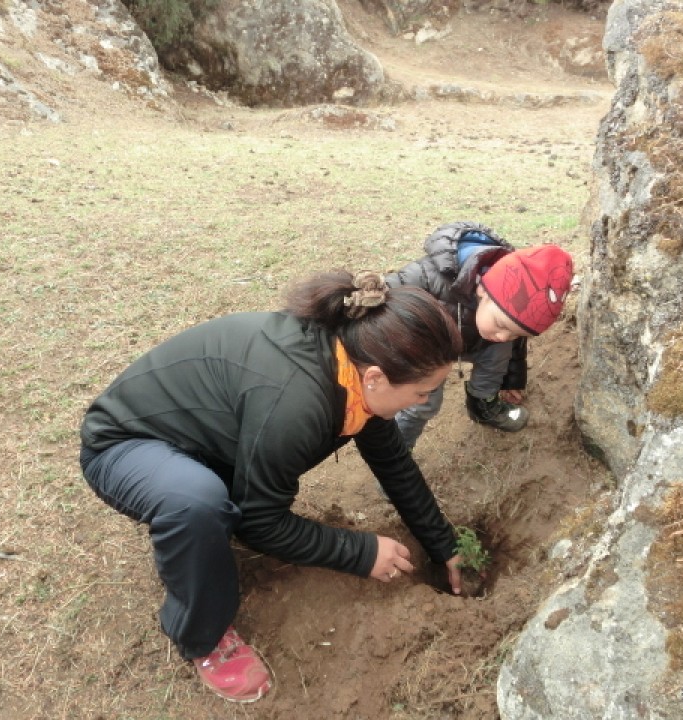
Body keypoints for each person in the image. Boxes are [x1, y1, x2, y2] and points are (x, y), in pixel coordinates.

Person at [78, 270, 466, 704]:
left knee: (213, 499)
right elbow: (260, 523)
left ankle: (191, 509)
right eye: (421, 392)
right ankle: (202, 638)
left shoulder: (348, 365)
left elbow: (392, 461)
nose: (425, 403)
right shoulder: (297, 401)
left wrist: (443, 545)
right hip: (125, 446)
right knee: (197, 504)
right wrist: (359, 553)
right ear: (375, 377)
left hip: (200, 444)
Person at [385, 221, 573, 449]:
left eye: (516, 333)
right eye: (501, 325)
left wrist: (511, 380)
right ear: (483, 289)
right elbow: (387, 297)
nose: (505, 336)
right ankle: (398, 450)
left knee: (498, 354)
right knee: (423, 403)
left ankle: (482, 406)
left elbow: (514, 339)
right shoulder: (428, 277)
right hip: (430, 347)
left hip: (475, 340)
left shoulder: (504, 322)